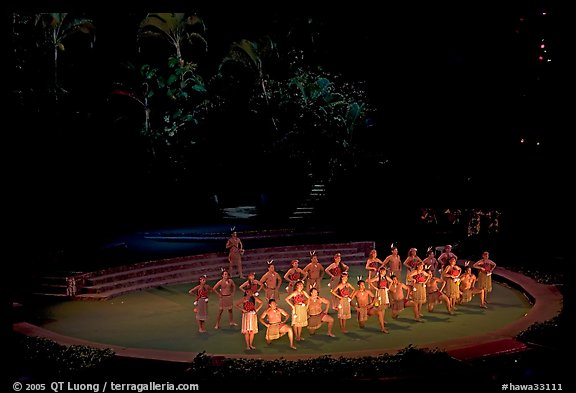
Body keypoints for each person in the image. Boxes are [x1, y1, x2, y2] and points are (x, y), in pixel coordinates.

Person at [368, 266, 391, 332]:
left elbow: (391, 281)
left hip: (385, 292)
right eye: (382, 271)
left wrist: (388, 287)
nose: (383, 272)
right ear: (380, 271)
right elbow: (370, 281)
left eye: (384, 271)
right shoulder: (378, 278)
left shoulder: (386, 277)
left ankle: (382, 320)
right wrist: (375, 288)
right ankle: (382, 325)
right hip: (380, 292)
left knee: (383, 307)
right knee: (379, 307)